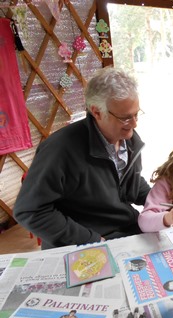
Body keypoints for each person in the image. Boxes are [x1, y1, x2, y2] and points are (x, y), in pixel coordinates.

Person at [13, 67, 151, 250]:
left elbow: (128, 183)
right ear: (97, 112)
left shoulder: (130, 141)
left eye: (136, 114)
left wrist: (160, 200)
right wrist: (89, 239)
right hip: (83, 243)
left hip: (126, 231)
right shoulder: (60, 149)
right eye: (125, 118)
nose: (134, 124)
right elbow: (30, 210)